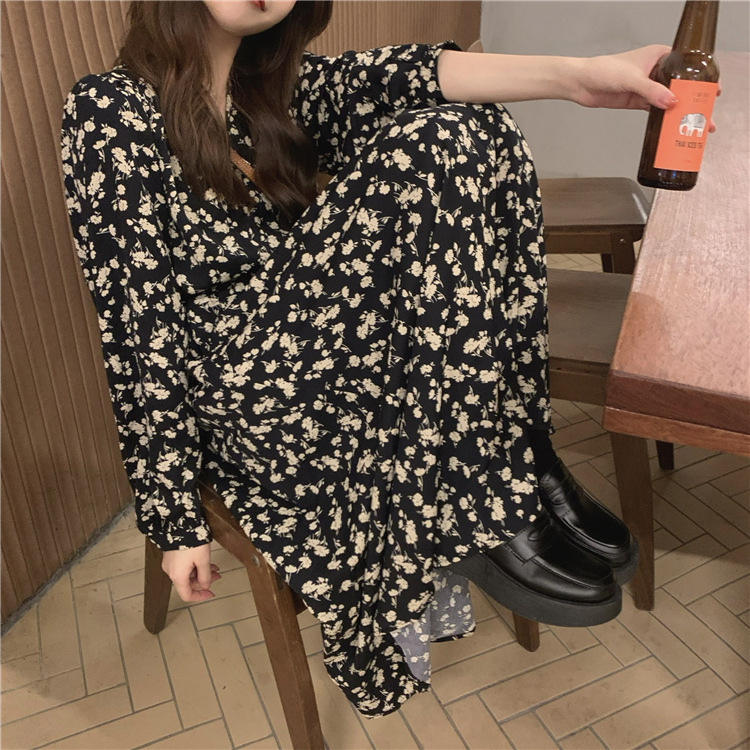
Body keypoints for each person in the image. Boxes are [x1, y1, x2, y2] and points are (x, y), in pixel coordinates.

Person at [60, 0, 680, 717]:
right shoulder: (108, 110)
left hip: (318, 355)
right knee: (433, 143)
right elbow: (137, 329)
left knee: (479, 126)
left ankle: (517, 452)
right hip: (245, 392)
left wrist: (581, 77)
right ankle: (474, 494)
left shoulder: (274, 94)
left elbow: (419, 73)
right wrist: (172, 519)